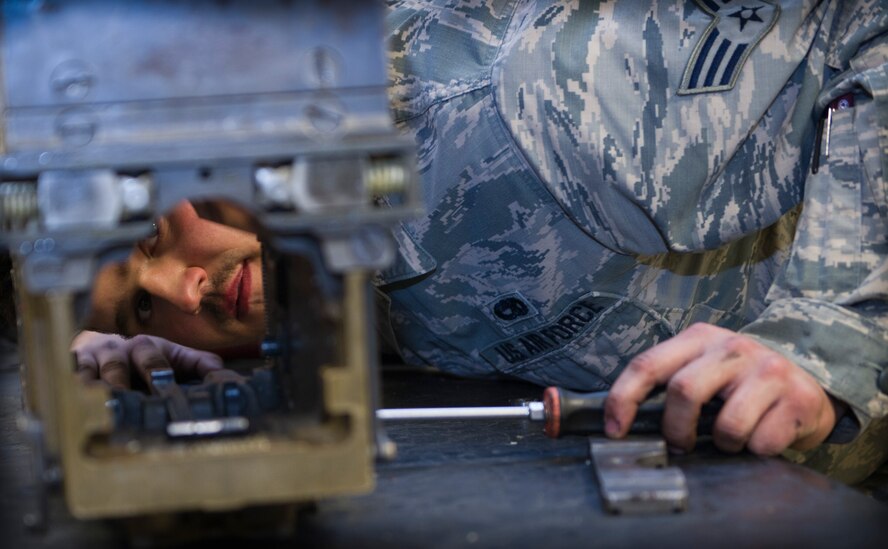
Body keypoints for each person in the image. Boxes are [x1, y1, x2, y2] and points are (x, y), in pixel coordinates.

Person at [67, 0, 886, 483]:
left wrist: (826, 338)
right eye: (144, 303)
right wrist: (125, 357)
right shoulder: (322, 268)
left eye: (146, 231)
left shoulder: (513, 103)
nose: (183, 290)